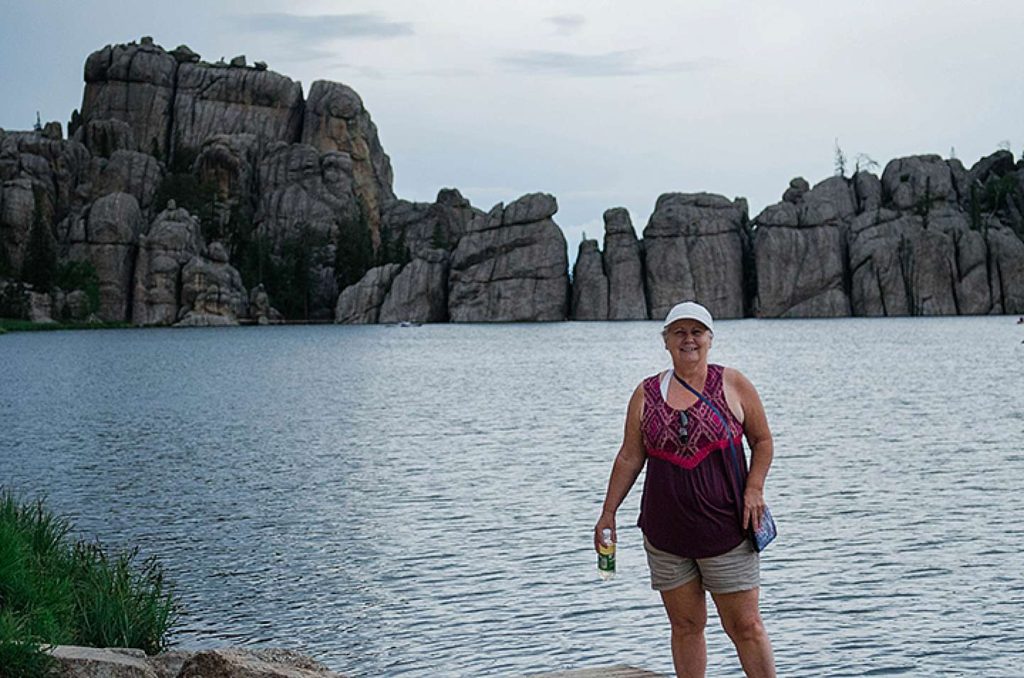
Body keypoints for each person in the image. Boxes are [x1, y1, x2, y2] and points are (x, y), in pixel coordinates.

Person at [594, 301, 776, 678]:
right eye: (679, 332)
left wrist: (754, 487)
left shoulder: (733, 383)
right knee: (686, 626)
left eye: (696, 332)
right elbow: (630, 457)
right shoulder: (646, 393)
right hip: (666, 537)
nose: (688, 339)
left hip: (727, 530)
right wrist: (608, 512)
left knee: (745, 627)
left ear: (710, 339)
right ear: (666, 341)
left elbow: (762, 441)